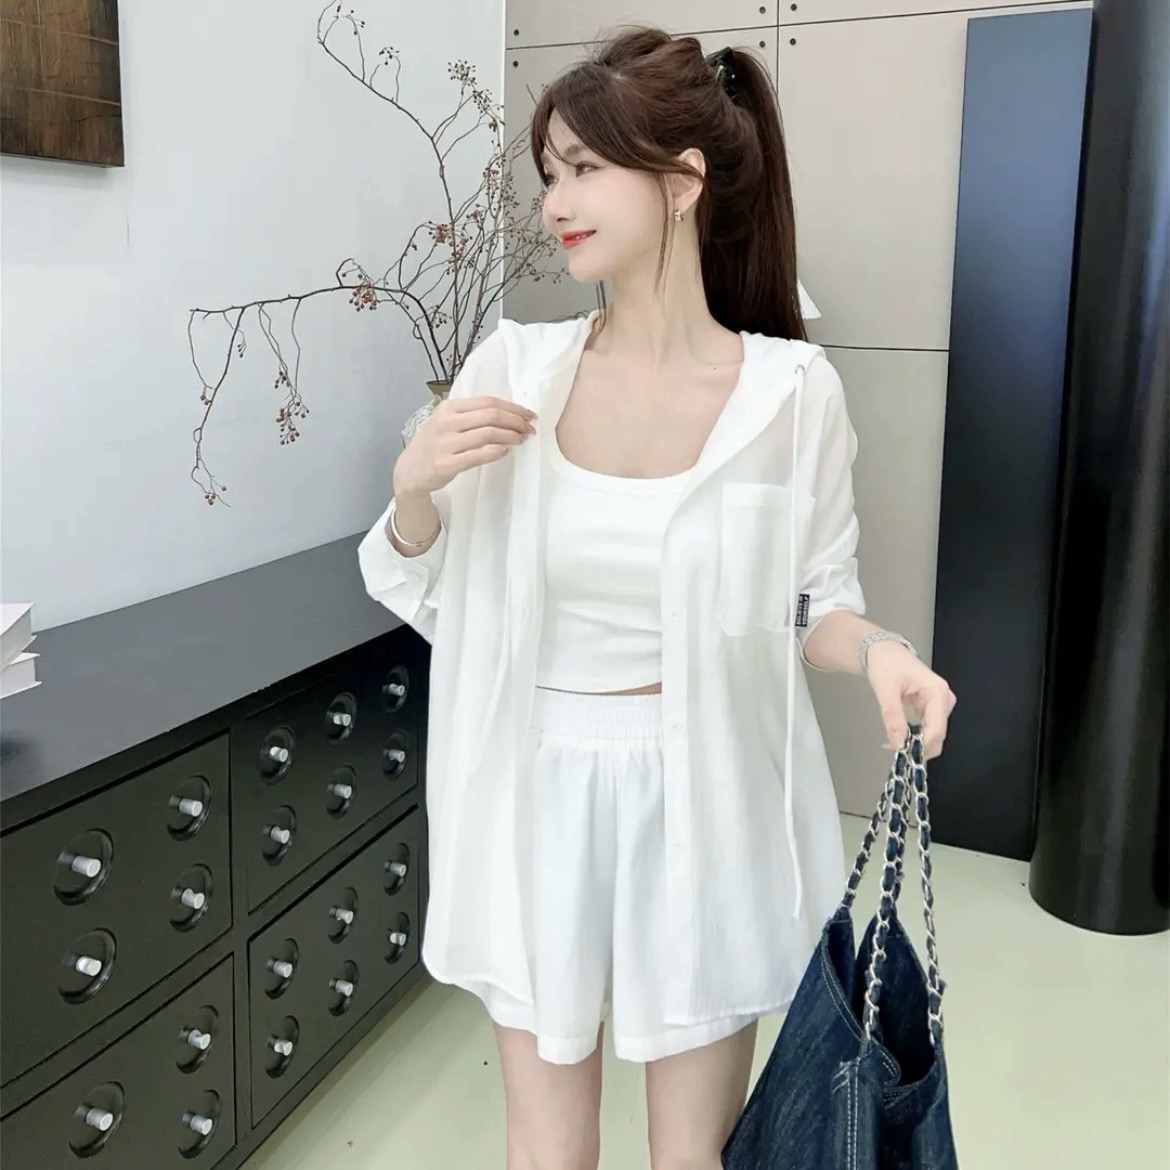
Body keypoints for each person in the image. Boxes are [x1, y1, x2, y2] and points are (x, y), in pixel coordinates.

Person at [358, 25, 956, 1170]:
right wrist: (414, 487)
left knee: (693, 1154)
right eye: (550, 172)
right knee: (547, 1148)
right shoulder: (514, 372)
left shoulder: (792, 394)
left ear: (682, 182)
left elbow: (813, 603)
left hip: (705, 799)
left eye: (585, 168)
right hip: (534, 791)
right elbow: (430, 588)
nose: (555, 202)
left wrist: (883, 652)